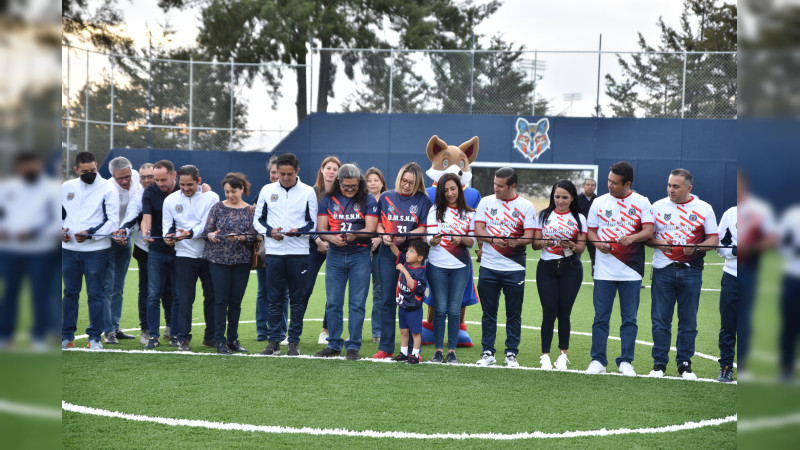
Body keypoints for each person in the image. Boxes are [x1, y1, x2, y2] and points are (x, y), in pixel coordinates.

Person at [646, 169, 718, 380]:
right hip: (662, 270)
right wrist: (660, 242)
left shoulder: (704, 208)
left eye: (676, 186)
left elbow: (713, 240)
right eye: (669, 185)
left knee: (688, 321)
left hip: (691, 271)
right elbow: (647, 237)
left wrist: (695, 248)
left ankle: (684, 364)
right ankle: (659, 363)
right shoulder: (657, 207)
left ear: (689, 188)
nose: (671, 190)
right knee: (660, 320)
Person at [585, 161, 653, 377]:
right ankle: (598, 360)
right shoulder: (599, 202)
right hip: (603, 270)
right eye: (608, 180)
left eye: (615, 182)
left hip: (631, 270)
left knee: (629, 318)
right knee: (600, 317)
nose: (610, 185)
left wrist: (632, 237)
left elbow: (649, 231)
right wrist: (598, 244)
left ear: (628, 183)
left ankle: (626, 361)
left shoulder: (642, 202)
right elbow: (591, 232)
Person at [253, 153, 317, 356]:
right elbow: (257, 220)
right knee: (274, 299)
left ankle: (293, 342)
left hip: (299, 253)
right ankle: (273, 342)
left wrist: (297, 231)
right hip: (274, 252)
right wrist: (270, 231)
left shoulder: (308, 192)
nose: (286, 178)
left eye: (289, 174)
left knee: (297, 299)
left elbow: (313, 224)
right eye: (282, 174)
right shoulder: (266, 190)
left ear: (297, 171)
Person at [313, 164, 378, 360]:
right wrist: (332, 239)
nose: (350, 190)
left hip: (360, 255)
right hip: (335, 255)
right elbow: (321, 227)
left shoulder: (368, 198)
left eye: (354, 186)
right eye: (346, 186)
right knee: (333, 302)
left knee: (357, 303)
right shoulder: (328, 199)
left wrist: (355, 235)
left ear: (360, 183)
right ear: (338, 182)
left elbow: (371, 229)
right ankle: (333, 344)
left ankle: (353, 347)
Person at [472, 167, 535, 368]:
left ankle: (511, 354)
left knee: (513, 313)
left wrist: (517, 242)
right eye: (494, 184)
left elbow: (529, 236)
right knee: (488, 312)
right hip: (489, 267)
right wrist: (492, 239)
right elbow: (478, 230)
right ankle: (488, 352)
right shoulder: (485, 202)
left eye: (500, 185)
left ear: (512, 186)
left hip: (515, 268)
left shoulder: (526, 206)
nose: (496, 188)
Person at [0, 152, 60, 350]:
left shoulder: (51, 189)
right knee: (10, 293)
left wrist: (34, 233)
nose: (30, 169)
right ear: (18, 168)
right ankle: (5, 336)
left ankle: (39, 337)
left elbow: (56, 222)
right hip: (10, 251)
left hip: (40, 251)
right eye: (26, 166)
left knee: (39, 294)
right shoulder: (6, 188)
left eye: (34, 165)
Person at [61, 151, 120, 350]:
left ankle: (94, 337)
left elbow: (112, 220)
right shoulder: (66, 187)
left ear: (97, 167)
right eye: (85, 171)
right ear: (76, 170)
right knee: (70, 292)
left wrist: (90, 234)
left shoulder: (108, 187)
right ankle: (66, 336)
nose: (90, 174)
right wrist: (61, 231)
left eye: (93, 170)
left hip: (96, 250)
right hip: (68, 249)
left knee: (96, 294)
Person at [372, 162, 431, 359]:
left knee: (414, 301)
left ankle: (416, 351)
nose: (406, 185)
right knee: (388, 299)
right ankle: (386, 347)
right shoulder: (387, 197)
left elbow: (423, 228)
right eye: (404, 181)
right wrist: (384, 236)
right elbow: (379, 225)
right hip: (388, 253)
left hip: (413, 256)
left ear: (418, 183)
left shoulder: (423, 199)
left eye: (411, 183)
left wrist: (407, 235)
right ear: (399, 179)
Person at [115, 163, 175, 345]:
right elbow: (131, 216)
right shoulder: (140, 194)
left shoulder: (175, 190)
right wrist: (123, 231)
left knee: (170, 289)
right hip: (145, 248)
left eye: (152, 177)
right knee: (147, 291)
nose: (148, 180)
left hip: (172, 248)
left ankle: (171, 328)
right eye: (144, 177)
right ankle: (147, 329)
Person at [162, 165, 219, 352]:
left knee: (211, 296)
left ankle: (210, 337)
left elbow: (206, 225)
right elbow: (167, 227)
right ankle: (183, 339)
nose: (186, 188)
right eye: (183, 184)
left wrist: (187, 233)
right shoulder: (170, 200)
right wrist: (168, 238)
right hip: (184, 255)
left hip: (209, 254)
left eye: (190, 185)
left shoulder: (211, 197)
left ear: (199, 181)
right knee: (185, 298)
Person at [532, 180, 587, 371]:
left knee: (564, 313)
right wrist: (544, 243)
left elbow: (581, 247)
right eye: (557, 197)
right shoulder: (544, 215)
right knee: (549, 312)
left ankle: (563, 355)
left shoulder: (579, 218)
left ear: (572, 198)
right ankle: (545, 355)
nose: (560, 201)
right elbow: (535, 244)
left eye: (565, 197)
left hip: (571, 268)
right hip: (546, 268)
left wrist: (570, 245)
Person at [203, 173, 258, 355]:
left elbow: (254, 236)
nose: (229, 195)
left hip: (241, 260)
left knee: (236, 302)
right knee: (220, 300)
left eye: (233, 191)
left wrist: (241, 237)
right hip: (218, 259)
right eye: (226, 192)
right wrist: (211, 235)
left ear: (242, 189)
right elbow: (207, 231)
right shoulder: (218, 208)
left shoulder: (250, 210)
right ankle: (220, 341)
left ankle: (233, 338)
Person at [426, 173, 475, 364]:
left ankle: (452, 351)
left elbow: (472, 242)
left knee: (454, 310)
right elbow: (427, 238)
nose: (449, 193)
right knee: (439, 309)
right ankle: (438, 351)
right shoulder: (434, 210)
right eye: (445, 190)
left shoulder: (470, 213)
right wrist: (433, 240)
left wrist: (460, 239)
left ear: (459, 188)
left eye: (453, 188)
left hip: (460, 267)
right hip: (437, 265)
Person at [140, 160, 182, 349]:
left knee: (176, 295)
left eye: (163, 179)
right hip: (157, 250)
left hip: (180, 251)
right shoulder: (149, 192)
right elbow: (146, 218)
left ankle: (174, 334)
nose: (159, 183)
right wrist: (145, 233)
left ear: (174, 176)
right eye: (156, 179)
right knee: (153, 295)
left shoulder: (185, 189)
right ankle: (153, 336)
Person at [102, 156, 140, 345]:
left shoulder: (137, 177)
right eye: (120, 178)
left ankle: (115, 327)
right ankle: (108, 330)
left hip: (126, 239)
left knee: (119, 286)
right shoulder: (106, 188)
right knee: (107, 287)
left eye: (127, 177)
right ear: (112, 176)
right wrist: (114, 234)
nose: (125, 181)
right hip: (108, 240)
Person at [306, 156, 340, 345]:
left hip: (336, 246)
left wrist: (332, 240)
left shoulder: (342, 194)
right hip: (313, 246)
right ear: (321, 169)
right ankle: (293, 332)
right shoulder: (311, 193)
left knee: (333, 292)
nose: (331, 171)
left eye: (335, 169)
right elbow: (308, 221)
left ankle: (326, 330)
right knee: (305, 288)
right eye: (328, 168)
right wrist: (318, 240)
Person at [255, 155, 289, 343]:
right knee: (263, 291)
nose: (277, 175)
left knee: (282, 292)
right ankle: (262, 330)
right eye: (274, 172)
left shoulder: (295, 193)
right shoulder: (265, 192)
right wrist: (269, 231)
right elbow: (256, 216)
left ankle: (281, 331)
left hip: (287, 249)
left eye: (281, 172)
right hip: (265, 248)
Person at [391, 239, 429, 365]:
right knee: (403, 331)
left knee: (415, 332)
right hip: (403, 304)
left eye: (411, 252)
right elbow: (397, 253)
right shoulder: (406, 262)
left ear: (420, 257)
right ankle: (403, 352)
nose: (407, 253)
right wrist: (390, 242)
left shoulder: (421, 271)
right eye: (408, 250)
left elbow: (412, 285)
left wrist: (404, 271)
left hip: (414, 307)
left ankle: (415, 354)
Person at [777, 205, 800, 382]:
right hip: (793, 277)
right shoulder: (792, 215)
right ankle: (786, 368)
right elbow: (779, 245)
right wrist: (793, 251)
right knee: (790, 324)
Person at [715, 204, 737, 382]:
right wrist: (734, 251)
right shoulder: (730, 214)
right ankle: (726, 367)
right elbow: (719, 244)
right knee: (728, 325)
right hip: (732, 276)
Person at [365, 167, 387, 343]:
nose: (372, 183)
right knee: (359, 292)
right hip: (361, 251)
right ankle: (354, 331)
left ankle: (377, 332)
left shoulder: (388, 200)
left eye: (376, 180)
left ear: (382, 183)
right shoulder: (362, 200)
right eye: (369, 180)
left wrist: (380, 239)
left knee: (379, 291)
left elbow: (391, 223)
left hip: (382, 252)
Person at [578, 178, 597, 274]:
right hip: (579, 233)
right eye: (588, 184)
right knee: (575, 255)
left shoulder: (598, 200)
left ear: (595, 187)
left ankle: (596, 276)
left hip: (593, 233)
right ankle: (572, 274)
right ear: (583, 186)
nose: (590, 186)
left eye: (592, 185)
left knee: (595, 256)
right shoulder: (576, 200)